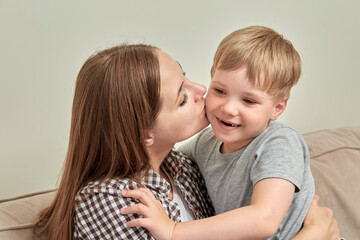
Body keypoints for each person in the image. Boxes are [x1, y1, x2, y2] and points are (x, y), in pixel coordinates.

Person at [33, 43, 340, 240]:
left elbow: (262, 217)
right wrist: (311, 235)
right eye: (182, 97)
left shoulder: (184, 167)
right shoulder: (112, 201)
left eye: (186, 76)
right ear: (144, 133)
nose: (201, 89)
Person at [121, 27, 342, 239]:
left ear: (277, 108)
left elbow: (264, 219)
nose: (228, 108)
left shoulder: (280, 143)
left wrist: (173, 231)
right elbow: (161, 154)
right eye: (220, 91)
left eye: (248, 100)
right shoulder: (204, 144)